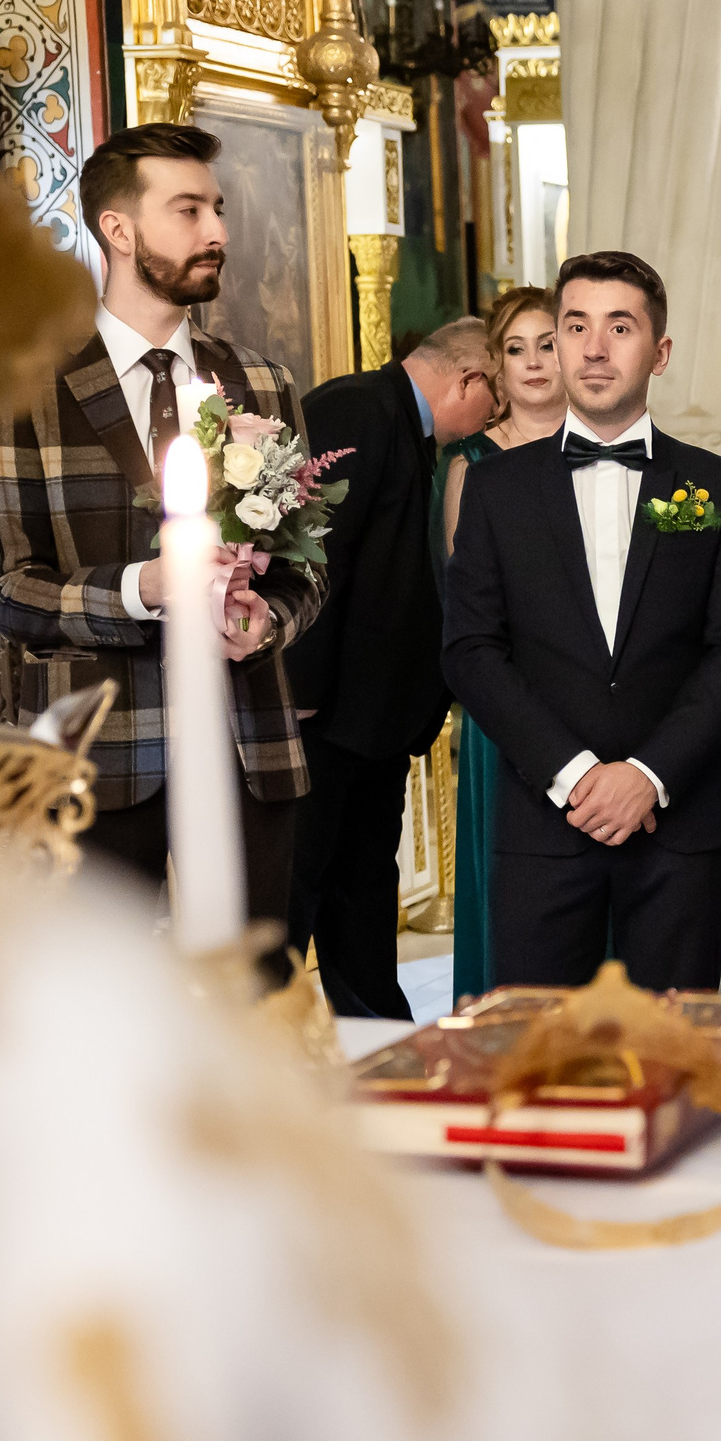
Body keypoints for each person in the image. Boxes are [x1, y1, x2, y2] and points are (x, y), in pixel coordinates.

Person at [0, 122, 323, 989]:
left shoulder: (261, 380)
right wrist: (142, 589)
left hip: (248, 743)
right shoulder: (26, 389)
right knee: (100, 1008)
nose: (219, 232)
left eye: (218, 208)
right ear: (118, 230)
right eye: (190, 209)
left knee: (259, 1005)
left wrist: (264, 622)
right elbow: (11, 590)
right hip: (98, 754)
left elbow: (308, 570)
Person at [442, 251, 721, 991]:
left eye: (619, 327)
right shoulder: (495, 490)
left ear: (660, 350)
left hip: (680, 825)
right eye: (575, 326)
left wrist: (648, 775)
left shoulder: (716, 485)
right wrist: (578, 774)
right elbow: (471, 651)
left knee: (673, 1060)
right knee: (542, 1062)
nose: (593, 348)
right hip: (543, 822)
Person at [285, 317, 496, 1018]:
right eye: (487, 403)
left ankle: (376, 1036)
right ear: (469, 380)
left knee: (364, 887)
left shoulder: (396, 421)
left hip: (368, 721)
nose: (481, 423)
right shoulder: (359, 408)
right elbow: (315, 556)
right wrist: (303, 691)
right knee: (303, 887)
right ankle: (256, 1051)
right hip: (328, 716)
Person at [441, 286, 565, 1001]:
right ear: (496, 366)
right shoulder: (472, 464)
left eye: (547, 343)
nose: (534, 362)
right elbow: (468, 598)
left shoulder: (609, 441)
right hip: (509, 695)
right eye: (516, 349)